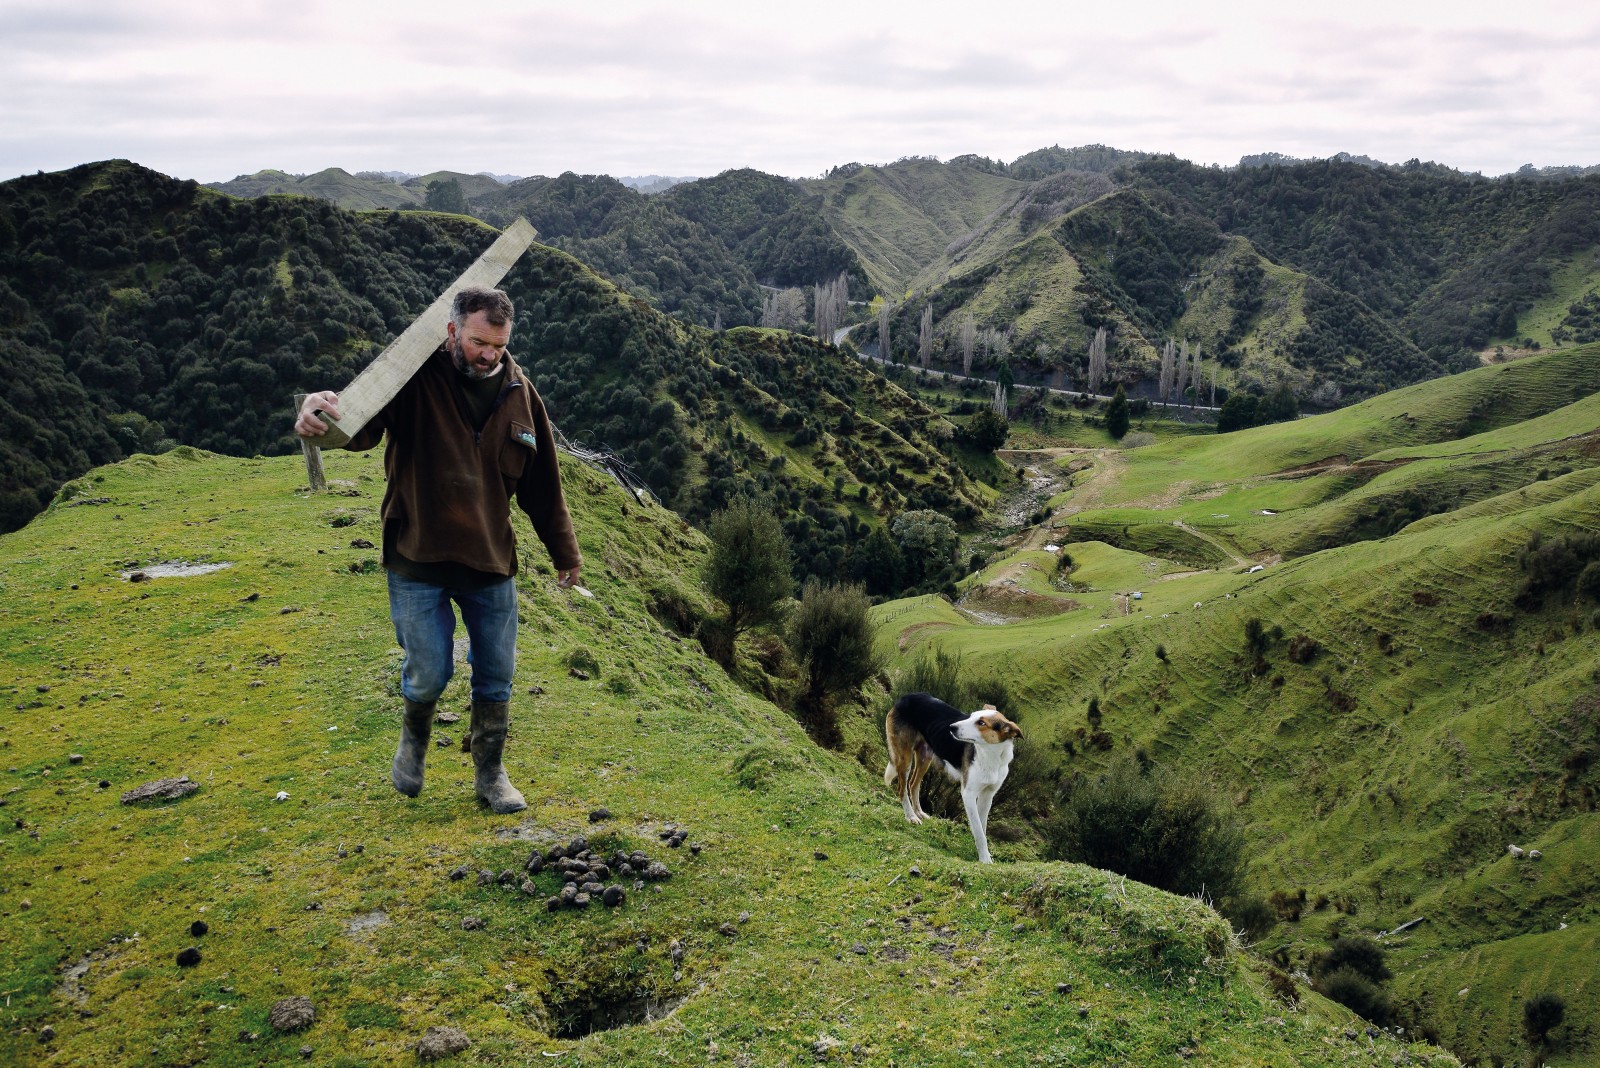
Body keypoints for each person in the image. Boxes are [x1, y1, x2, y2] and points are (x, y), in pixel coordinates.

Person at [295, 286, 581, 813]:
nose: (489, 354)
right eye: (478, 342)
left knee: (497, 671)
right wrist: (320, 414)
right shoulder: (410, 378)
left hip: (491, 559)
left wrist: (566, 553)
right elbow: (354, 430)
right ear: (453, 331)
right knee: (429, 668)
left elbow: (544, 485)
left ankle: (490, 775)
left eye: (498, 345)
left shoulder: (521, 393)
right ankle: (414, 738)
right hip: (417, 553)